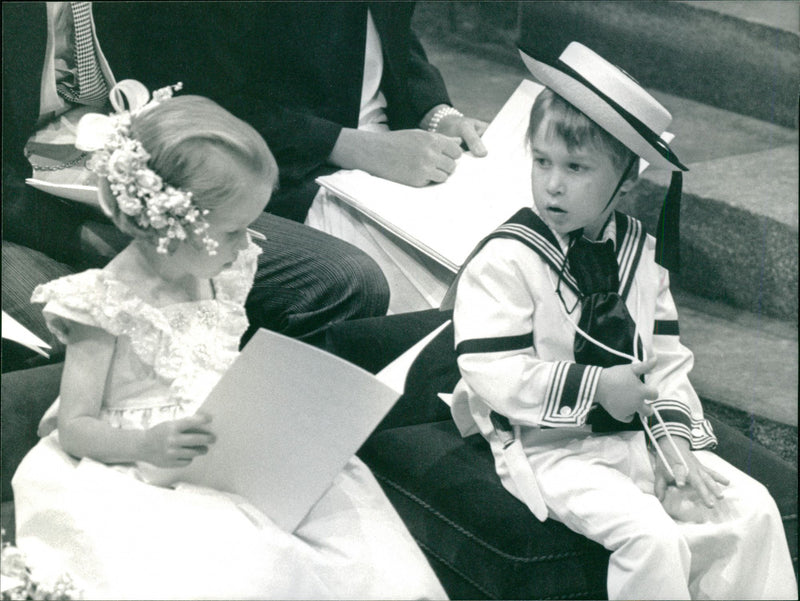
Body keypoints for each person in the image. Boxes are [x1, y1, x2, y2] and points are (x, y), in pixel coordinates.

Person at [11, 83, 446, 600]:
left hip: (230, 450)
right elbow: (75, 428)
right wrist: (147, 444)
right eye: (236, 229)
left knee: (369, 554)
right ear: (170, 226)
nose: (251, 243)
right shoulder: (103, 303)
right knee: (246, 570)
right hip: (141, 467)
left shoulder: (221, 271)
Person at [445, 42, 797, 599]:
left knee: (748, 508)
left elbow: (666, 362)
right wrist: (597, 387)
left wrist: (675, 442)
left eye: (576, 167)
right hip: (547, 445)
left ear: (626, 178)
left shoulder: (641, 255)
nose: (553, 184)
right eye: (542, 162)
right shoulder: (507, 258)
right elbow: (491, 368)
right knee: (651, 536)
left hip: (637, 436)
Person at [2, 2, 390, 367]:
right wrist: (81, 232)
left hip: (136, 175)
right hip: (15, 205)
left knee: (343, 280)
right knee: (79, 351)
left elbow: (199, 76)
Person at [99, 2, 488, 312]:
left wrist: (436, 112)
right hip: (292, 166)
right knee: (442, 296)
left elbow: (393, 33)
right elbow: (209, 104)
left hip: (400, 149)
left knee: (508, 251)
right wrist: (352, 146)